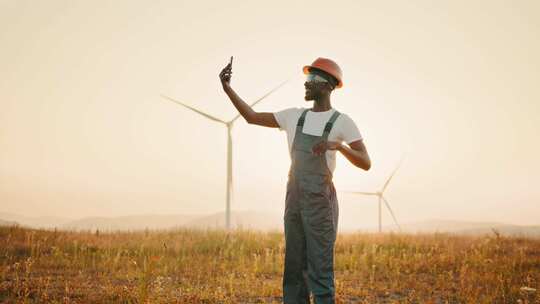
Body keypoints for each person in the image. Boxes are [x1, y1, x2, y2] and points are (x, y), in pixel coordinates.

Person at [219, 57, 371, 304]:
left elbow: (365, 162)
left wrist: (340, 146)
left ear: (328, 85)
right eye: (306, 79)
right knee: (293, 269)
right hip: (294, 199)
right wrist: (227, 89)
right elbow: (252, 116)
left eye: (312, 79)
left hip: (320, 203)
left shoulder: (342, 122)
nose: (306, 84)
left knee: (320, 270)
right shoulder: (293, 116)